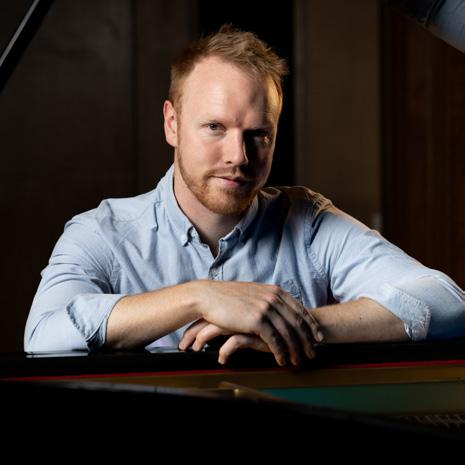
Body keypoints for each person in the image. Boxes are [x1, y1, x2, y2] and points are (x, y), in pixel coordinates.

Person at [25, 25, 465, 366]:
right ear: (172, 124)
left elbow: (449, 305)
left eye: (258, 134)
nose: (239, 156)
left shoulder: (309, 223)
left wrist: (291, 326)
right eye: (215, 127)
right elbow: (44, 334)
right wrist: (198, 297)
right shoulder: (101, 233)